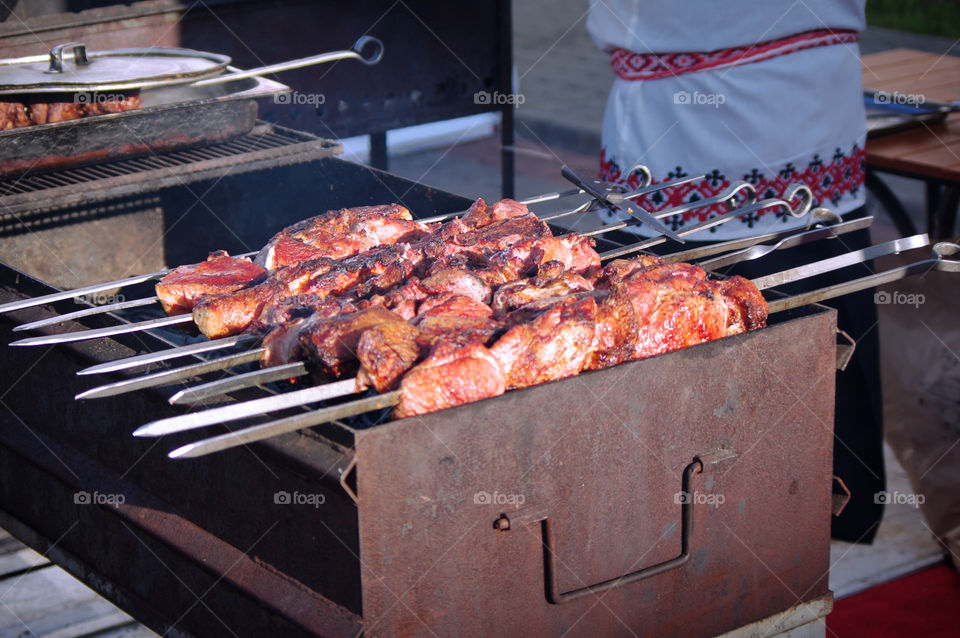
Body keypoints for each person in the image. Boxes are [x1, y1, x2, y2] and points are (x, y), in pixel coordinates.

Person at [587, 0, 883, 542]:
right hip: (665, 116)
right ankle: (661, 519)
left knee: (813, 317)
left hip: (798, 110)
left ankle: (821, 508)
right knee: (654, 326)